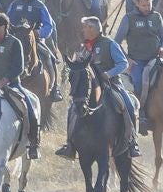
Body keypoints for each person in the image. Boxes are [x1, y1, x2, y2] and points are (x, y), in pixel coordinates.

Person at [59, 16, 140, 159]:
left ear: (93, 29)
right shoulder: (84, 47)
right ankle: (70, 145)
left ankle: (132, 141)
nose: (83, 30)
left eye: (85, 27)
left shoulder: (110, 44)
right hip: (88, 88)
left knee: (128, 105)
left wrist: (108, 74)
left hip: (111, 84)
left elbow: (123, 64)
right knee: (72, 109)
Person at [0, 13, 43, 161]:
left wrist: (4, 81)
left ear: (3, 27)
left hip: (12, 85)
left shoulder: (14, 43)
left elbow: (19, 67)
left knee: (29, 107)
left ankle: (33, 143)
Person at [3, 0, 63, 99]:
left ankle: (54, 89)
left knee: (49, 57)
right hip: (15, 40)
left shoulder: (40, 5)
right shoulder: (14, 4)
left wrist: (39, 33)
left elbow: (49, 25)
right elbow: (5, 22)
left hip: (34, 40)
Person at [115, 0, 163, 105]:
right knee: (139, 82)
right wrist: (127, 59)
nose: (147, 8)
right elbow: (116, 42)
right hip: (137, 61)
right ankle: (140, 111)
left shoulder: (156, 17)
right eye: (144, 5)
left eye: (149, 4)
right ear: (137, 4)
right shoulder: (129, 18)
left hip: (155, 60)